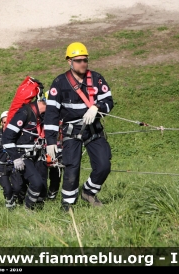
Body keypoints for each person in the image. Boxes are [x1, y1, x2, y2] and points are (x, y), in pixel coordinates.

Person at [44, 42, 114, 211]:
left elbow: (109, 101)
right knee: (72, 167)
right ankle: (67, 205)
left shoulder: (96, 79)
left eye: (85, 60)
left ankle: (89, 192)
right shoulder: (59, 83)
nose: (83, 63)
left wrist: (97, 107)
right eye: (79, 60)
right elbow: (51, 113)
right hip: (71, 130)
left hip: (93, 127)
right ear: (70, 61)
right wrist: (51, 141)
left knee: (104, 164)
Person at [2, 90, 49, 211]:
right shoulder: (25, 113)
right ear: (45, 102)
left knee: (43, 187)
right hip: (24, 156)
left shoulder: (42, 116)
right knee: (36, 183)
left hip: (39, 155)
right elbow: (6, 138)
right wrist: (15, 158)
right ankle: (28, 209)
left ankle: (40, 213)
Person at [0, 111, 24, 210]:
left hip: (14, 164)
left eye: (8, 122)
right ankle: (10, 206)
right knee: (7, 188)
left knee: (18, 187)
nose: (6, 124)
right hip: (1, 165)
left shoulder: (17, 134)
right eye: (4, 122)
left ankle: (13, 199)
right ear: (1, 123)